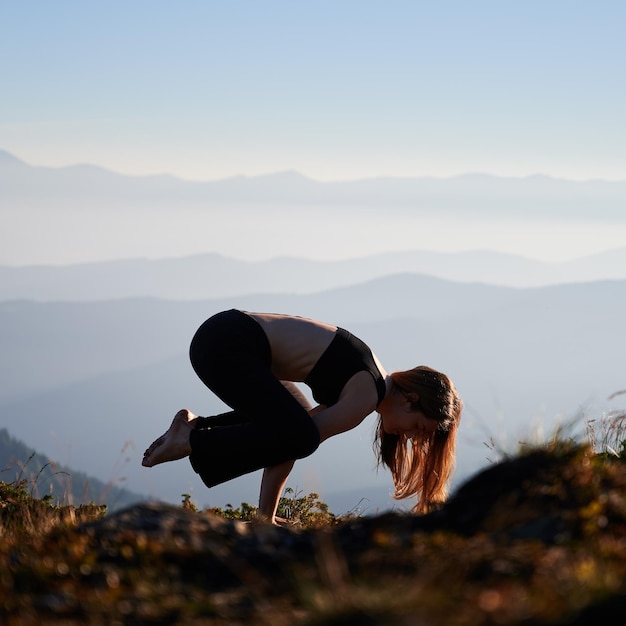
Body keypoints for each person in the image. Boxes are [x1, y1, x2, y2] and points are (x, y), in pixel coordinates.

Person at [142, 309, 462, 522]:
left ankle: (193, 429)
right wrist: (265, 518)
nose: (410, 437)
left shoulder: (371, 379)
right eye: (418, 428)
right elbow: (292, 444)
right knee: (300, 436)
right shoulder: (367, 395)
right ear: (409, 399)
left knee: (294, 427)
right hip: (226, 345)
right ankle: (191, 438)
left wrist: (265, 516)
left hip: (225, 335)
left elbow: (285, 437)